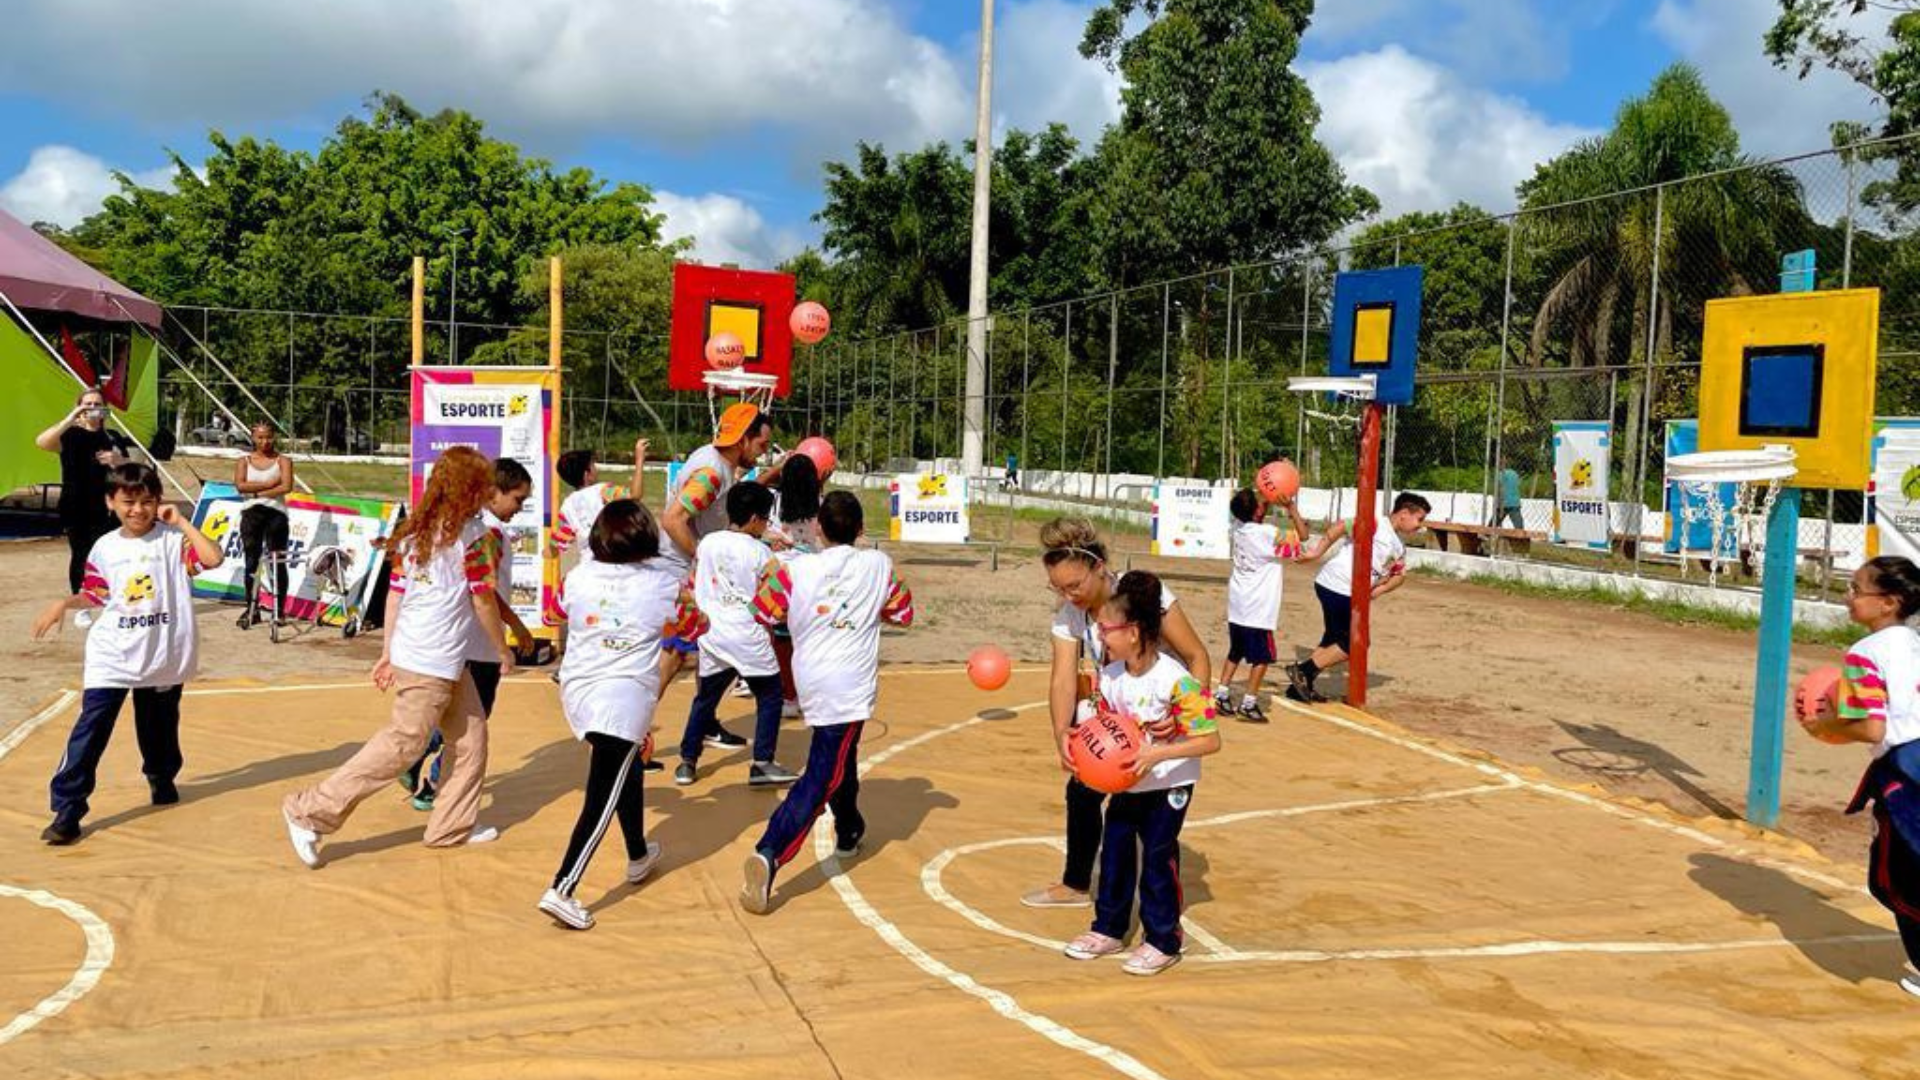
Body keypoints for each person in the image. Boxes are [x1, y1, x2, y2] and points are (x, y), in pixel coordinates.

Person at [282, 446, 512, 867]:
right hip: (432, 662)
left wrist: (389, 650)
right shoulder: (471, 539)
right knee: (403, 746)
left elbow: (397, 595)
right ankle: (309, 812)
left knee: (470, 740)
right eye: (482, 487)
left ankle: (450, 827)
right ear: (468, 490)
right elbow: (483, 602)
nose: (488, 494)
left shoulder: (417, 532)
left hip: (434, 657)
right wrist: (502, 650)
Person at [739, 492, 913, 914]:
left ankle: (850, 828)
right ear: (858, 530)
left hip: (811, 680)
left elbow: (763, 611)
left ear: (818, 528)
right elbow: (903, 613)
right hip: (848, 687)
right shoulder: (878, 565)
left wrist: (806, 612)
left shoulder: (794, 570)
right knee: (822, 775)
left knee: (840, 758)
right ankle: (771, 850)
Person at [30, 464, 223, 844]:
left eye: (147, 501)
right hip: (113, 656)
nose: (138, 510)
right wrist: (64, 603)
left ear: (158, 502)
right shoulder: (105, 547)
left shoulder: (172, 541)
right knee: (90, 731)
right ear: (110, 502)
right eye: (128, 502)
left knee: (159, 729)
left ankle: (160, 775)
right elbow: (96, 594)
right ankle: (68, 809)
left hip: (162, 654)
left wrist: (181, 521)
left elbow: (212, 558)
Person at [1025, 518, 1211, 910]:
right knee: (1082, 789)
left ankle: (1156, 907)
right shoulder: (1070, 616)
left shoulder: (1143, 593)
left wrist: (1185, 716)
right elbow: (1062, 679)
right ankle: (1078, 885)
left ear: (1099, 568)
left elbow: (1197, 656)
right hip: (1119, 714)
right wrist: (1062, 733)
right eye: (1057, 588)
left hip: (1163, 715)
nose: (1068, 595)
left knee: (1150, 816)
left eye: (1074, 585)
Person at [539, 500, 705, 930]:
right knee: (601, 797)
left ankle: (637, 853)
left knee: (624, 769)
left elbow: (551, 613)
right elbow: (694, 627)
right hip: (623, 695)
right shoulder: (668, 584)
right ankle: (562, 887)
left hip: (579, 691)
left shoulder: (578, 577)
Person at [1062, 570, 1221, 976]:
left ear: (1132, 632)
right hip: (1130, 782)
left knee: (1156, 855)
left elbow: (1210, 740)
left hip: (1170, 782)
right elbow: (1099, 723)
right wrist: (1074, 738)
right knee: (1114, 851)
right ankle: (1109, 928)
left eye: (1105, 630)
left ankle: (1163, 939)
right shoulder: (1111, 677)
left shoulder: (1176, 680)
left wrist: (1155, 753)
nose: (1099, 637)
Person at [1797, 556, 1920, 1000]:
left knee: (1892, 880)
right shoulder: (1913, 643)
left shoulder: (1864, 653)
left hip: (1907, 770)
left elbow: (1872, 728)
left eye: (1856, 590)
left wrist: (1825, 726)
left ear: (1888, 602)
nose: (1848, 598)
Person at [400, 457, 536, 811]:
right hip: (478, 645)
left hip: (465, 643)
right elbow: (485, 596)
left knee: (453, 719)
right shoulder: (483, 534)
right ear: (493, 493)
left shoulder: (474, 529)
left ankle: (419, 763)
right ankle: (432, 783)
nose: (519, 509)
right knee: (468, 727)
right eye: (517, 500)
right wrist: (511, 635)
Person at [675, 482, 798, 788]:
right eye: (765, 519)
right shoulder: (760, 551)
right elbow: (778, 588)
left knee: (706, 698)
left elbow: (696, 579)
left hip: (712, 633)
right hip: (746, 635)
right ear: (756, 518)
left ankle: (687, 761)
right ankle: (762, 762)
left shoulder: (707, 542)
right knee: (770, 695)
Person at [657, 403, 778, 707]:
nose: (762, 453)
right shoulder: (711, 474)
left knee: (705, 648)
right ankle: (633, 729)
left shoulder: (717, 465)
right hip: (678, 569)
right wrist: (705, 557)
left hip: (687, 569)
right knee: (676, 651)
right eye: (761, 445)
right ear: (742, 440)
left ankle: (705, 721)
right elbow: (673, 520)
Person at [1285, 492, 1432, 704]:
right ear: (1404, 514)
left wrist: (1377, 591)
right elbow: (1341, 527)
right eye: (1419, 519)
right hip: (1337, 585)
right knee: (1354, 644)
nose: (1420, 526)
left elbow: (1400, 575)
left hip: (1347, 591)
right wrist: (1317, 553)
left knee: (1332, 640)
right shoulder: (1374, 523)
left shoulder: (1398, 545)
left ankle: (1299, 685)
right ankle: (1302, 670)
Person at [35, 389, 133, 617]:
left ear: (105, 409)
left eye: (97, 404)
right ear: (79, 407)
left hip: (107, 505)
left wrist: (119, 460)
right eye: (87, 404)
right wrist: (71, 417)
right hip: (75, 504)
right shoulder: (70, 435)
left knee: (110, 552)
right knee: (81, 553)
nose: (92, 408)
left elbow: (135, 469)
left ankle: (111, 597)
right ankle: (81, 602)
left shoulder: (112, 437)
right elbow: (41, 442)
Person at [1216, 487, 1308, 723]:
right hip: (1258, 608)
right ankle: (1249, 703)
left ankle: (1222, 695)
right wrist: (1291, 508)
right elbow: (1303, 535)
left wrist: (1267, 495)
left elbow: (1254, 513)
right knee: (1263, 658)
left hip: (1238, 604)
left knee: (1235, 651)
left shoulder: (1236, 528)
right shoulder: (1268, 534)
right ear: (1257, 511)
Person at [764, 453, 823, 717]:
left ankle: (788, 695)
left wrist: (774, 540)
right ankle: (806, 694)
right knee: (807, 639)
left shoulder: (774, 503)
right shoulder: (820, 505)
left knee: (780, 639)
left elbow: (762, 531)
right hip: (811, 575)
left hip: (781, 575)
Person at [233, 422, 296, 629]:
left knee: (277, 561)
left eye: (268, 437)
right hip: (251, 514)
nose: (265, 442)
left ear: (274, 437)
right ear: (253, 438)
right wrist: (270, 485)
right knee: (252, 561)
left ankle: (279, 610)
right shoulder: (244, 461)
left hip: (276, 514)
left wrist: (257, 492)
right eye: (260, 438)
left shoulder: (283, 461)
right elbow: (241, 486)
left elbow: (286, 486)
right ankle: (252, 608)